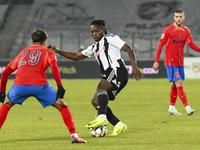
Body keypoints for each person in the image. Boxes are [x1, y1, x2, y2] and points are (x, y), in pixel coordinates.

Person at [48, 20, 143, 136]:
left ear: (103, 30)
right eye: (92, 32)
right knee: (95, 101)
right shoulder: (94, 47)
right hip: (110, 73)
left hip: (116, 70)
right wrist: (58, 51)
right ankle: (119, 124)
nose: (94, 34)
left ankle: (102, 117)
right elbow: (77, 56)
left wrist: (134, 66)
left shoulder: (110, 38)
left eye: (97, 31)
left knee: (100, 87)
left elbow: (129, 48)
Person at [0, 30, 86, 143]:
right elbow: (54, 67)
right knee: (61, 105)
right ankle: (74, 135)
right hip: (39, 86)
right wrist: (59, 85)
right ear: (45, 42)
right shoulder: (48, 52)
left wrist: (2, 91)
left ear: (32, 42)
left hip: (20, 86)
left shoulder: (23, 52)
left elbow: (5, 73)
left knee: (6, 104)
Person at [153, 9, 200, 115]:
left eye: (180, 17)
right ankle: (188, 108)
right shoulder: (168, 30)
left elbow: (191, 44)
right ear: (174, 17)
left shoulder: (186, 30)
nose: (178, 19)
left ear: (184, 17)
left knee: (175, 85)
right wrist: (156, 61)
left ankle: (171, 107)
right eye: (176, 17)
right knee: (179, 82)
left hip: (180, 62)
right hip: (171, 62)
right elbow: (160, 45)